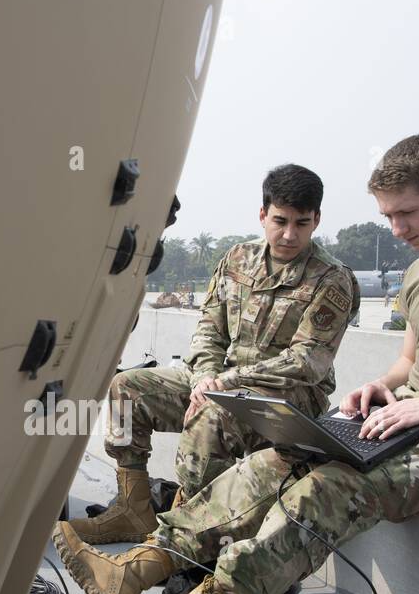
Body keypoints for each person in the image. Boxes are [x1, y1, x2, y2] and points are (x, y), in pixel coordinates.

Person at [53, 134, 419, 594]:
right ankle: (141, 565)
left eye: (407, 213)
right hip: (406, 416)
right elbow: (409, 363)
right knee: (271, 462)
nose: (397, 229)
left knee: (325, 488)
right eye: (388, 215)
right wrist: (377, 386)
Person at [64, 164, 359, 545]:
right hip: (219, 381)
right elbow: (209, 329)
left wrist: (223, 383)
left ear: (316, 220)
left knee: (212, 413)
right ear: (262, 214)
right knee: (127, 388)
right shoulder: (237, 259)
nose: (289, 234)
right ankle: (132, 508)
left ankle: (185, 538)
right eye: (280, 220)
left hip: (288, 399)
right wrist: (205, 375)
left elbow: (306, 362)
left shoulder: (331, 278)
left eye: (301, 223)